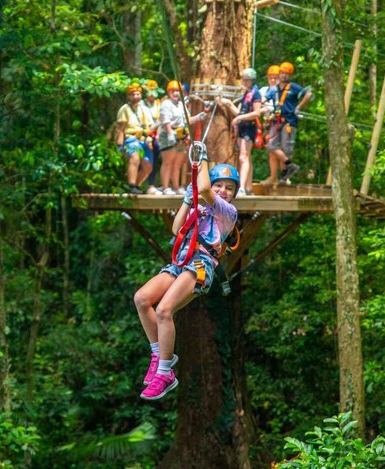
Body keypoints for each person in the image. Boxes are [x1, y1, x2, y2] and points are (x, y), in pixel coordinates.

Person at [133, 144, 239, 400]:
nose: (223, 191)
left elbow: (203, 188)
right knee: (142, 299)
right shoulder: (200, 206)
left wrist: (201, 159)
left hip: (200, 266)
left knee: (164, 310)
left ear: (234, 194)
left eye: (229, 188)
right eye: (219, 186)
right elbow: (177, 229)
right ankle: (158, 354)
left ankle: (166, 372)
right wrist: (186, 200)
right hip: (180, 263)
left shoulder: (228, 212)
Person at [264, 62, 312, 184]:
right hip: (277, 121)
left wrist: (299, 107)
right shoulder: (274, 89)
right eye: (282, 73)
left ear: (289, 75)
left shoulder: (293, 87)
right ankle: (290, 166)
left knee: (286, 150)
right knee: (271, 145)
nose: (283, 75)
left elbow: (308, 93)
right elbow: (263, 99)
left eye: (286, 73)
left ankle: (284, 176)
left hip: (289, 122)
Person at [158, 80, 204, 195]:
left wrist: (198, 117)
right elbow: (166, 121)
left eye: (177, 91)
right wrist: (170, 134)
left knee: (177, 163)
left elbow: (187, 120)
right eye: (173, 91)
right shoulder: (166, 104)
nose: (175, 94)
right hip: (169, 134)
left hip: (181, 135)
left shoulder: (181, 104)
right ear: (168, 92)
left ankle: (176, 187)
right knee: (168, 161)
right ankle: (165, 187)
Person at [116, 82, 155, 194]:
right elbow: (121, 129)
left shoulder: (144, 109)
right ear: (129, 96)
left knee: (148, 165)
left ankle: (137, 185)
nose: (135, 96)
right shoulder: (125, 109)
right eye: (133, 94)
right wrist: (120, 144)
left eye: (137, 94)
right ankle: (132, 185)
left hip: (144, 139)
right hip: (131, 138)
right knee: (135, 158)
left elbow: (150, 126)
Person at [230, 68, 263, 196]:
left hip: (249, 127)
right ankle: (248, 187)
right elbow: (241, 112)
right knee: (245, 157)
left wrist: (239, 118)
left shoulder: (256, 93)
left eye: (245, 80)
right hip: (242, 127)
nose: (243, 81)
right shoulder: (246, 93)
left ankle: (242, 187)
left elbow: (256, 113)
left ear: (250, 80)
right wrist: (229, 105)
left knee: (243, 157)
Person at [142, 80, 163, 195]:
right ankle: (144, 185)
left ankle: (152, 185)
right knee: (147, 162)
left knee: (155, 161)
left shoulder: (159, 104)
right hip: (145, 136)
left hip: (157, 137)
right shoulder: (141, 105)